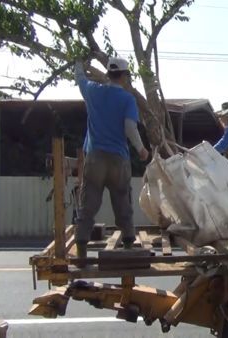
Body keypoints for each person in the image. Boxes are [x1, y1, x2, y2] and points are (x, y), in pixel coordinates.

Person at [74, 57, 149, 266]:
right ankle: (127, 245)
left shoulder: (92, 90)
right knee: (122, 201)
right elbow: (130, 128)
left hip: (95, 157)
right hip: (118, 159)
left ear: (107, 74)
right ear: (125, 76)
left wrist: (79, 63)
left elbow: (79, 77)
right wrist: (141, 150)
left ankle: (81, 252)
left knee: (88, 204)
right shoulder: (127, 99)